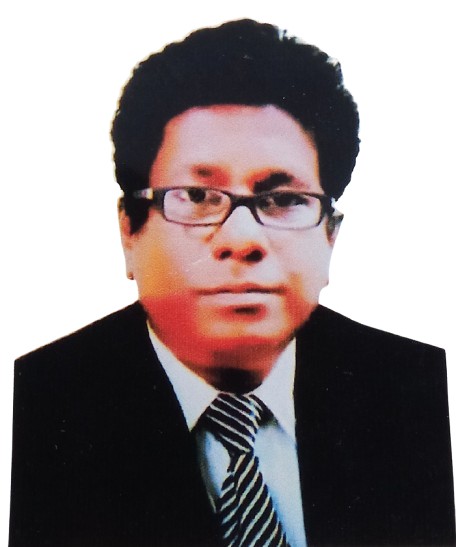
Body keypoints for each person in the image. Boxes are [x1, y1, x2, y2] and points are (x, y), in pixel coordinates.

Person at [9, 19, 455, 547]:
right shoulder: (31, 405)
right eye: (198, 197)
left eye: (284, 199)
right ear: (129, 231)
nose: (242, 239)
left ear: (331, 236)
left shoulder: (420, 390)